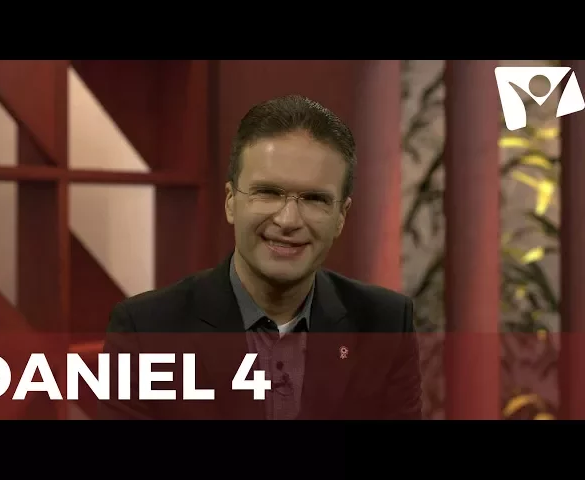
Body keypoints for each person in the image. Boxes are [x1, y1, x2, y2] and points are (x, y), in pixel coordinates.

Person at [98, 94, 422, 420]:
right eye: (268, 193)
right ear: (231, 202)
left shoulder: (386, 325)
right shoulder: (146, 332)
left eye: (314, 199)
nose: (288, 220)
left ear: (341, 216)